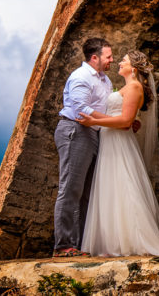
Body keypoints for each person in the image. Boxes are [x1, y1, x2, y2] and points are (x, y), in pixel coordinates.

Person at [78, 49, 159, 256]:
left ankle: (134, 240)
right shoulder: (129, 87)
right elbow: (121, 116)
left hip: (118, 140)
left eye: (123, 61)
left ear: (133, 68)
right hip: (111, 139)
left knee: (124, 184)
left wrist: (94, 122)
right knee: (112, 187)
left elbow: (125, 121)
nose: (119, 63)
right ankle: (113, 240)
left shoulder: (134, 86)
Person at [53, 37, 113, 258]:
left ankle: (77, 244)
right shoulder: (81, 77)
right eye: (108, 56)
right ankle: (62, 245)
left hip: (93, 133)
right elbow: (81, 108)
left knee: (86, 193)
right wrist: (111, 120)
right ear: (95, 57)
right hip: (75, 130)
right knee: (70, 189)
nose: (112, 60)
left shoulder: (105, 80)